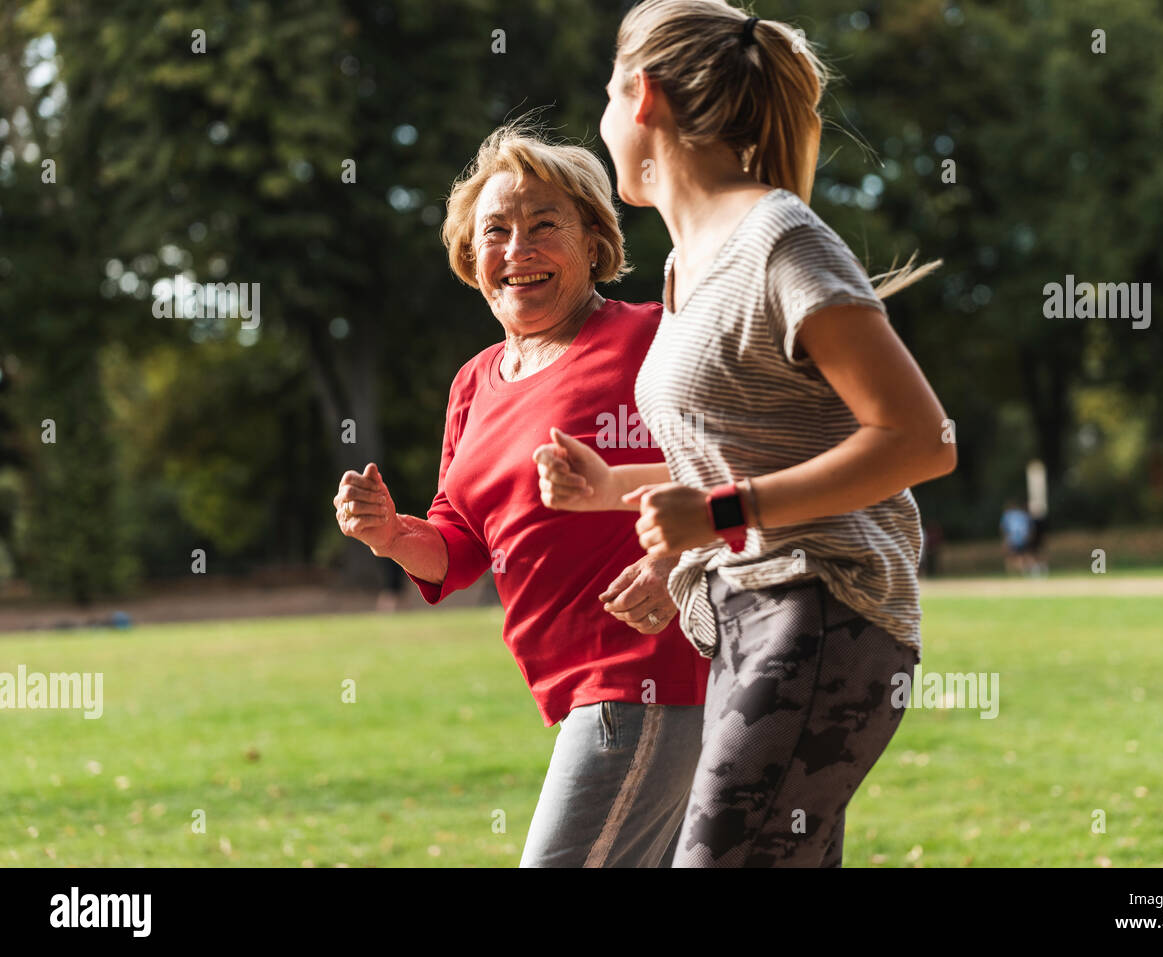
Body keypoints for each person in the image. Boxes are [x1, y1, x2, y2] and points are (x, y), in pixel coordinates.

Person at [535, 0, 956, 866]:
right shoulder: (686, 263)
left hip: (823, 609)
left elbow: (920, 439)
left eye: (607, 97)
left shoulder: (778, 238)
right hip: (745, 613)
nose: (604, 122)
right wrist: (616, 491)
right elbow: (751, 444)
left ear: (641, 96)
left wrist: (724, 513)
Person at [334, 123, 709, 867]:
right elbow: (459, 542)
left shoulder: (654, 337)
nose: (518, 249)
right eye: (496, 231)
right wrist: (389, 534)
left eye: (545, 226)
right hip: (578, 691)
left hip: (651, 675)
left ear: (595, 242)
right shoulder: (473, 382)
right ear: (471, 258)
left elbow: (742, 461)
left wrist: (676, 558)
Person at [999, 499, 1033, 575]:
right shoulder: (1023, 514)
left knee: (1011, 556)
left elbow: (1004, 528)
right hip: (1023, 538)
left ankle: (1013, 573)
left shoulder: (1007, 515)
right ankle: (1027, 570)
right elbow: (1029, 527)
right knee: (1023, 555)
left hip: (1012, 539)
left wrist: (1005, 540)